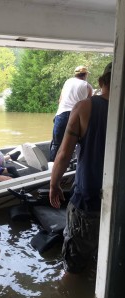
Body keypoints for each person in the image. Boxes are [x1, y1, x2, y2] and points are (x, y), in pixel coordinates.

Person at [49, 62, 112, 273]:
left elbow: (64, 153)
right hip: (117, 204)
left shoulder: (84, 107)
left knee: (74, 266)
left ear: (102, 82)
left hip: (88, 200)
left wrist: (54, 184)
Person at [49, 66, 93, 161]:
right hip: (76, 117)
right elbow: (88, 106)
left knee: (56, 144)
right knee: (75, 143)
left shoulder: (67, 82)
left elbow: (60, 100)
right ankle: (72, 165)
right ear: (85, 74)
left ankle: (52, 166)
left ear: (75, 74)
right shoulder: (88, 86)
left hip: (61, 114)